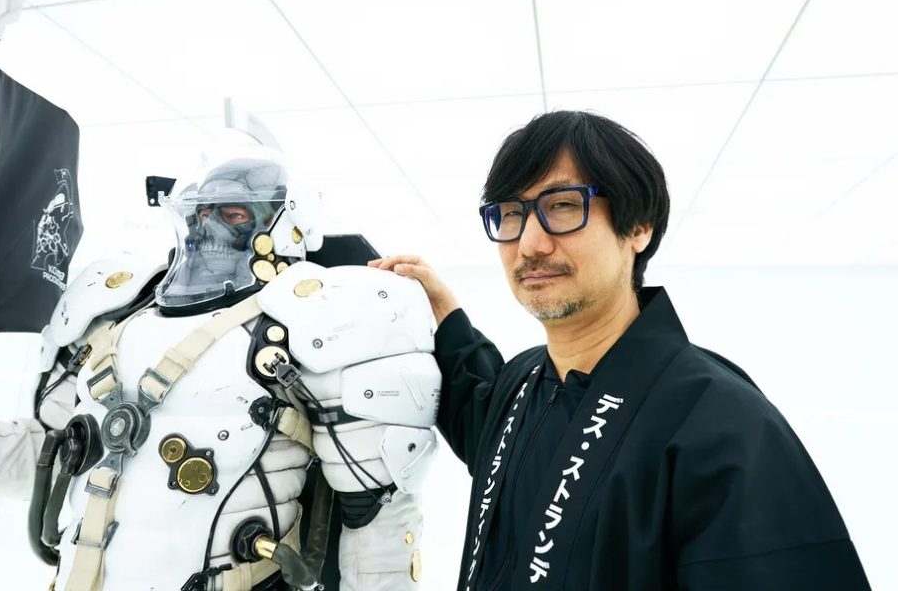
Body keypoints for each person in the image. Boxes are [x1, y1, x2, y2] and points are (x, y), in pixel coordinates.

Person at [0, 138, 441, 591]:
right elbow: (54, 457)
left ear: (286, 224)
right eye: (201, 212)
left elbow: (375, 519)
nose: (210, 228)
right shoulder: (112, 318)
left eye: (234, 213)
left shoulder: (317, 321)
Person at [371, 111, 871, 590]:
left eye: (562, 206)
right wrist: (445, 313)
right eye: (510, 214)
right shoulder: (525, 384)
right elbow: (479, 414)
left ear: (639, 227)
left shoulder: (718, 421)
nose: (530, 244)